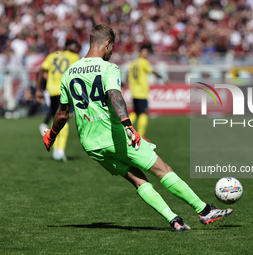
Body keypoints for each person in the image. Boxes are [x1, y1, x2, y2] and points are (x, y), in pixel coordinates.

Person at [42, 24, 233, 231]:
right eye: (112, 47)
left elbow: (62, 113)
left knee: (136, 178)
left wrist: (51, 135)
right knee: (162, 169)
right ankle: (204, 210)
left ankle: (174, 220)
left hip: (91, 144)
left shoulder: (69, 72)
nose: (112, 52)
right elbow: (116, 97)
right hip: (115, 136)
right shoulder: (108, 68)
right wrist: (128, 126)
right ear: (107, 43)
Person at [36, 38, 80, 161]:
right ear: (70, 46)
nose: (77, 49)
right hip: (65, 89)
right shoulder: (74, 57)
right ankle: (59, 150)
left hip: (52, 89)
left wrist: (38, 90)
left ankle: (55, 149)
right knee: (65, 118)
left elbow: (41, 71)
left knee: (56, 116)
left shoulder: (52, 56)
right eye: (76, 46)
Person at [125, 45, 169, 140]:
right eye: (144, 52)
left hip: (134, 90)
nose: (145, 54)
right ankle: (141, 135)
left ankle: (124, 128)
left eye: (146, 53)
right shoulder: (144, 62)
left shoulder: (133, 63)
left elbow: (128, 74)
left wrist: (125, 85)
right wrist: (163, 78)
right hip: (141, 91)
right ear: (140, 53)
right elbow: (153, 71)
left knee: (136, 112)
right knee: (144, 113)